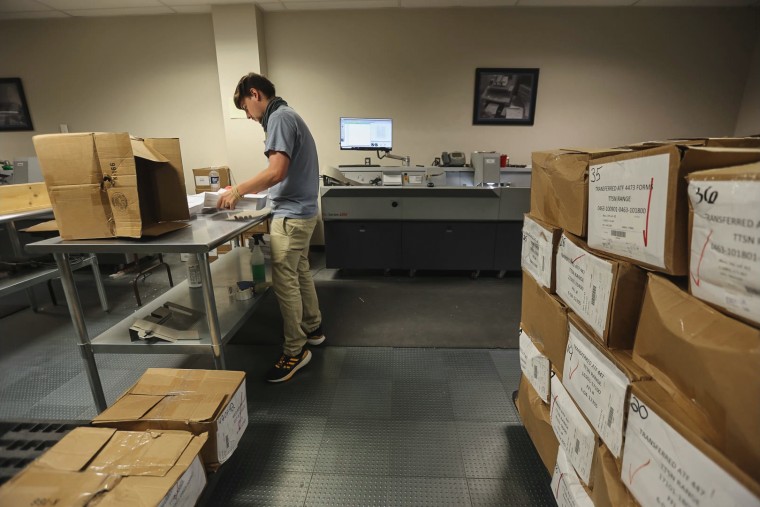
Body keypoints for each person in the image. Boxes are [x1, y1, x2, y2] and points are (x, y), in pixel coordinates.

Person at [217, 72, 324, 383]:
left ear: (255, 94)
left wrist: (238, 191)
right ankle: (313, 328)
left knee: (285, 280)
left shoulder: (279, 117)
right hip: (301, 212)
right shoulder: (289, 115)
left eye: (245, 108)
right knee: (300, 270)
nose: (249, 116)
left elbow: (276, 171)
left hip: (291, 216)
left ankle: (295, 350)